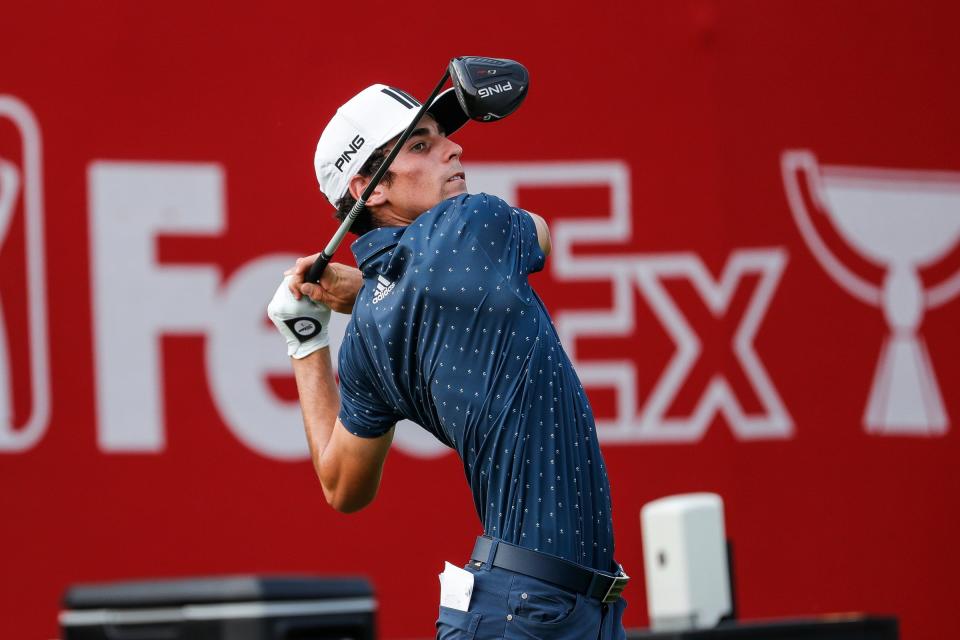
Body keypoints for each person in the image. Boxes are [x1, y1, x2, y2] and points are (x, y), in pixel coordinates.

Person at [267, 83, 628, 639]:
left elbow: (341, 485)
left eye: (442, 137)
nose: (453, 149)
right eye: (419, 145)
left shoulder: (364, 336)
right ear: (369, 188)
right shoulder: (469, 221)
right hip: (532, 613)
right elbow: (541, 234)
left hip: (539, 608)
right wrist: (364, 288)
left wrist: (306, 343)